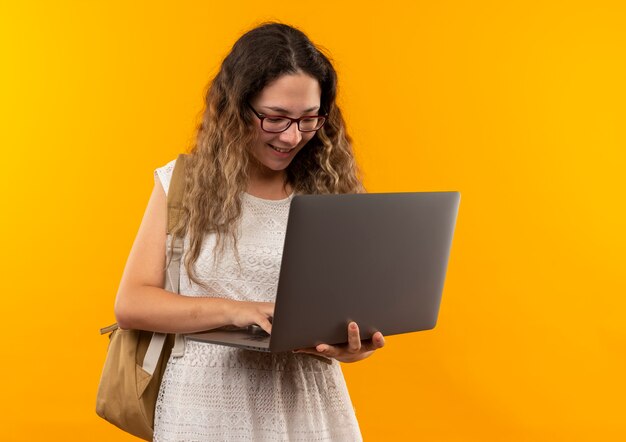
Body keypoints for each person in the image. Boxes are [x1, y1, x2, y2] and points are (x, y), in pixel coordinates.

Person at [114, 22, 385, 441]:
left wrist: (351, 347)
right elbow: (132, 303)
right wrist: (239, 311)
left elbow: (341, 313)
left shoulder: (330, 192)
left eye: (309, 119)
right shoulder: (183, 184)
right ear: (238, 107)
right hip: (206, 405)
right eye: (275, 118)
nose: (293, 136)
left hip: (308, 405)